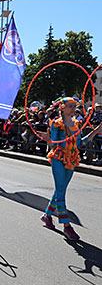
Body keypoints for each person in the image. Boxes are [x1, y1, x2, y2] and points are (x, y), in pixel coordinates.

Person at [40, 97, 102, 242]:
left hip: (72, 159)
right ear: (62, 108)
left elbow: (80, 143)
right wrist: (48, 139)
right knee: (61, 190)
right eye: (71, 106)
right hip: (58, 158)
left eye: (75, 106)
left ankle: (47, 216)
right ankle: (67, 225)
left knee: (60, 190)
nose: (74, 109)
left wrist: (97, 131)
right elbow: (54, 145)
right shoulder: (56, 124)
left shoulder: (76, 123)